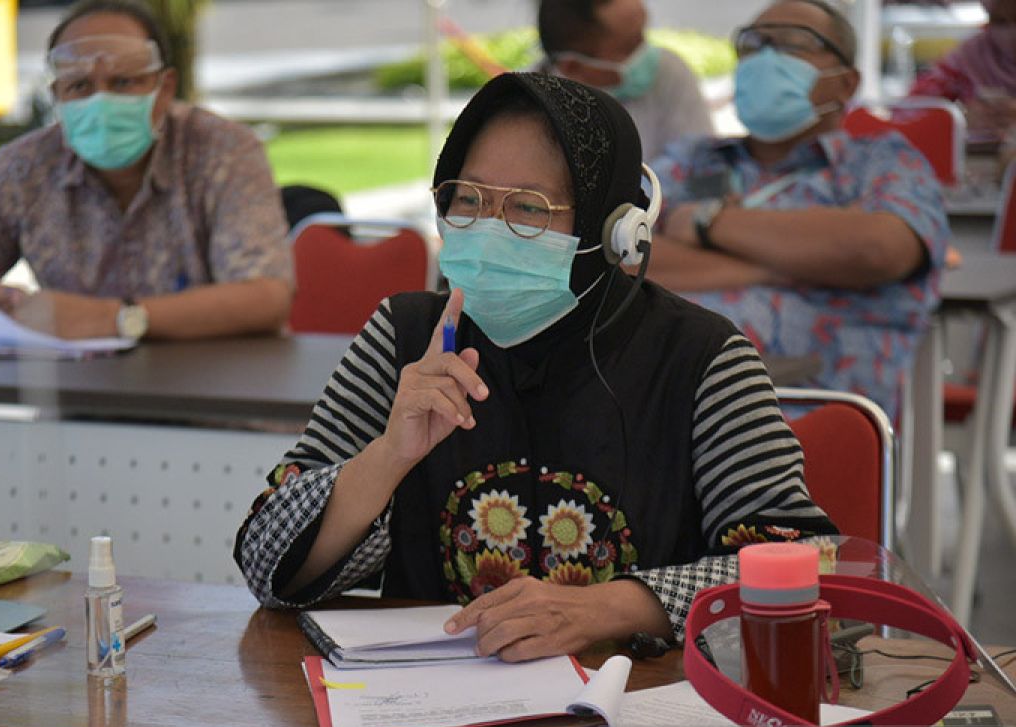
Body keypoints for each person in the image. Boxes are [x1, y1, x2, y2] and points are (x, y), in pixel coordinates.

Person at [236, 72, 837, 661]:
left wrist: (612, 608)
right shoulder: (407, 337)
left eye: (528, 208)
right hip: (426, 716)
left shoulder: (703, 359)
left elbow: (808, 565)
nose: (489, 231)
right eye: (468, 200)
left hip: (633, 720)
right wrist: (388, 456)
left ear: (615, 231)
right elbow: (266, 568)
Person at [0, 0, 293, 341]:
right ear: (57, 97)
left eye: (123, 82)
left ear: (164, 88)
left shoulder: (223, 150)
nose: (101, 101)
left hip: (218, 405)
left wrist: (114, 319)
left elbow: (265, 296)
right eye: (80, 86)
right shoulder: (26, 167)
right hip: (78, 408)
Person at [648, 0, 949, 423]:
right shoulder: (694, 160)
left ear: (846, 83)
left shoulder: (883, 163)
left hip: (809, 425)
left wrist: (707, 222)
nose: (765, 58)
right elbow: (618, 257)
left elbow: (877, 250)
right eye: (752, 45)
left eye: (793, 44)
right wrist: (796, 264)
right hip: (662, 413)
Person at [538, 0, 713, 161]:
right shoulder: (527, 107)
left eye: (642, 35)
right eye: (629, 47)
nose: (644, 53)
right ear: (572, 66)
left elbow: (703, 160)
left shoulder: (669, 71)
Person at [907, 0, 1016, 147]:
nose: (1012, 33)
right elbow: (907, 112)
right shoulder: (969, 57)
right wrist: (958, 118)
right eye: (1000, 22)